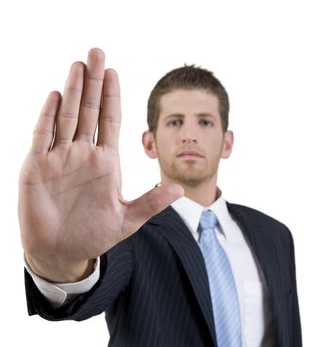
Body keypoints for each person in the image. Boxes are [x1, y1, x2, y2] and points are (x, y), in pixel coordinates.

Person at [19, 48, 302, 347]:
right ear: (149, 143)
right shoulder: (126, 232)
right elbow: (89, 288)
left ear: (227, 143)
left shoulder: (275, 236)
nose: (189, 135)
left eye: (205, 122)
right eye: (175, 122)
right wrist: (59, 263)